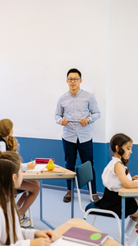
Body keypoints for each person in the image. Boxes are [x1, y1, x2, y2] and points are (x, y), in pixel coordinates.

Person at [94, 133, 138, 246]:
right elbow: (126, 184)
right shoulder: (117, 164)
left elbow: (120, 181)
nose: (130, 151)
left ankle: (124, 235)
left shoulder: (118, 163)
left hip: (116, 197)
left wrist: (131, 178)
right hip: (115, 201)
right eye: (128, 148)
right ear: (118, 148)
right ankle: (130, 244)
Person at [55, 68, 101, 203]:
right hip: (68, 137)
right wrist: (60, 121)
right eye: (70, 79)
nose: (73, 82)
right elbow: (57, 115)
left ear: (80, 81)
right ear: (66, 81)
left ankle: (93, 193)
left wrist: (88, 120)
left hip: (85, 137)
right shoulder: (62, 98)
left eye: (75, 79)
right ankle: (69, 191)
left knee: (88, 165)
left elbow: (97, 113)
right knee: (69, 165)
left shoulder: (88, 97)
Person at [0, 119, 39, 228]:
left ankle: (16, 208)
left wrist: (25, 166)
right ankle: (19, 216)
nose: (13, 130)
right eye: (12, 128)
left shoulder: (5, 142)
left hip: (9, 177)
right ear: (8, 130)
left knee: (36, 182)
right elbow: (7, 165)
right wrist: (26, 166)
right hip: (4, 181)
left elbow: (12, 162)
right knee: (36, 189)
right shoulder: (1, 144)